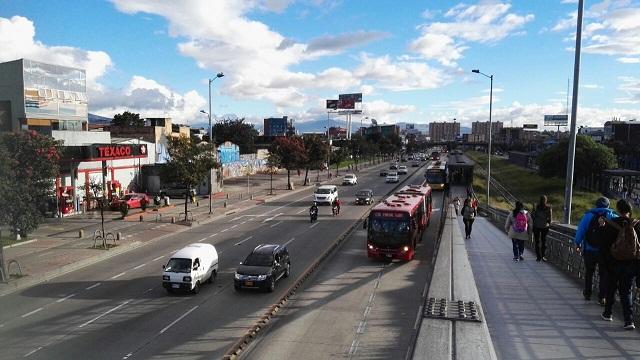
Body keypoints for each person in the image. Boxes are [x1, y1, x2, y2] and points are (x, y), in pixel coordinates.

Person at [601, 199, 639, 330]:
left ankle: (608, 313)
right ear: (630, 210)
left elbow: (604, 246)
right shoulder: (637, 225)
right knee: (626, 291)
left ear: (618, 209)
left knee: (611, 288)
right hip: (630, 265)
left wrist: (606, 263)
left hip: (613, 263)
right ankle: (628, 321)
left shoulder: (611, 224)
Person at [575, 196, 617, 304]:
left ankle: (588, 293)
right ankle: (602, 297)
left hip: (589, 249)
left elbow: (581, 230)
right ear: (608, 205)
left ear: (596, 205)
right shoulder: (612, 216)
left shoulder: (588, 215)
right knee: (603, 273)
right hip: (604, 251)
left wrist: (577, 243)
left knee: (589, 272)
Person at [532, 195, 553, 262]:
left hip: (536, 226)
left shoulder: (536, 207)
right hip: (544, 227)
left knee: (537, 242)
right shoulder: (548, 208)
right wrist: (548, 224)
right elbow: (550, 219)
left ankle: (538, 257)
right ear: (546, 200)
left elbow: (532, 216)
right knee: (544, 241)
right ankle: (543, 256)